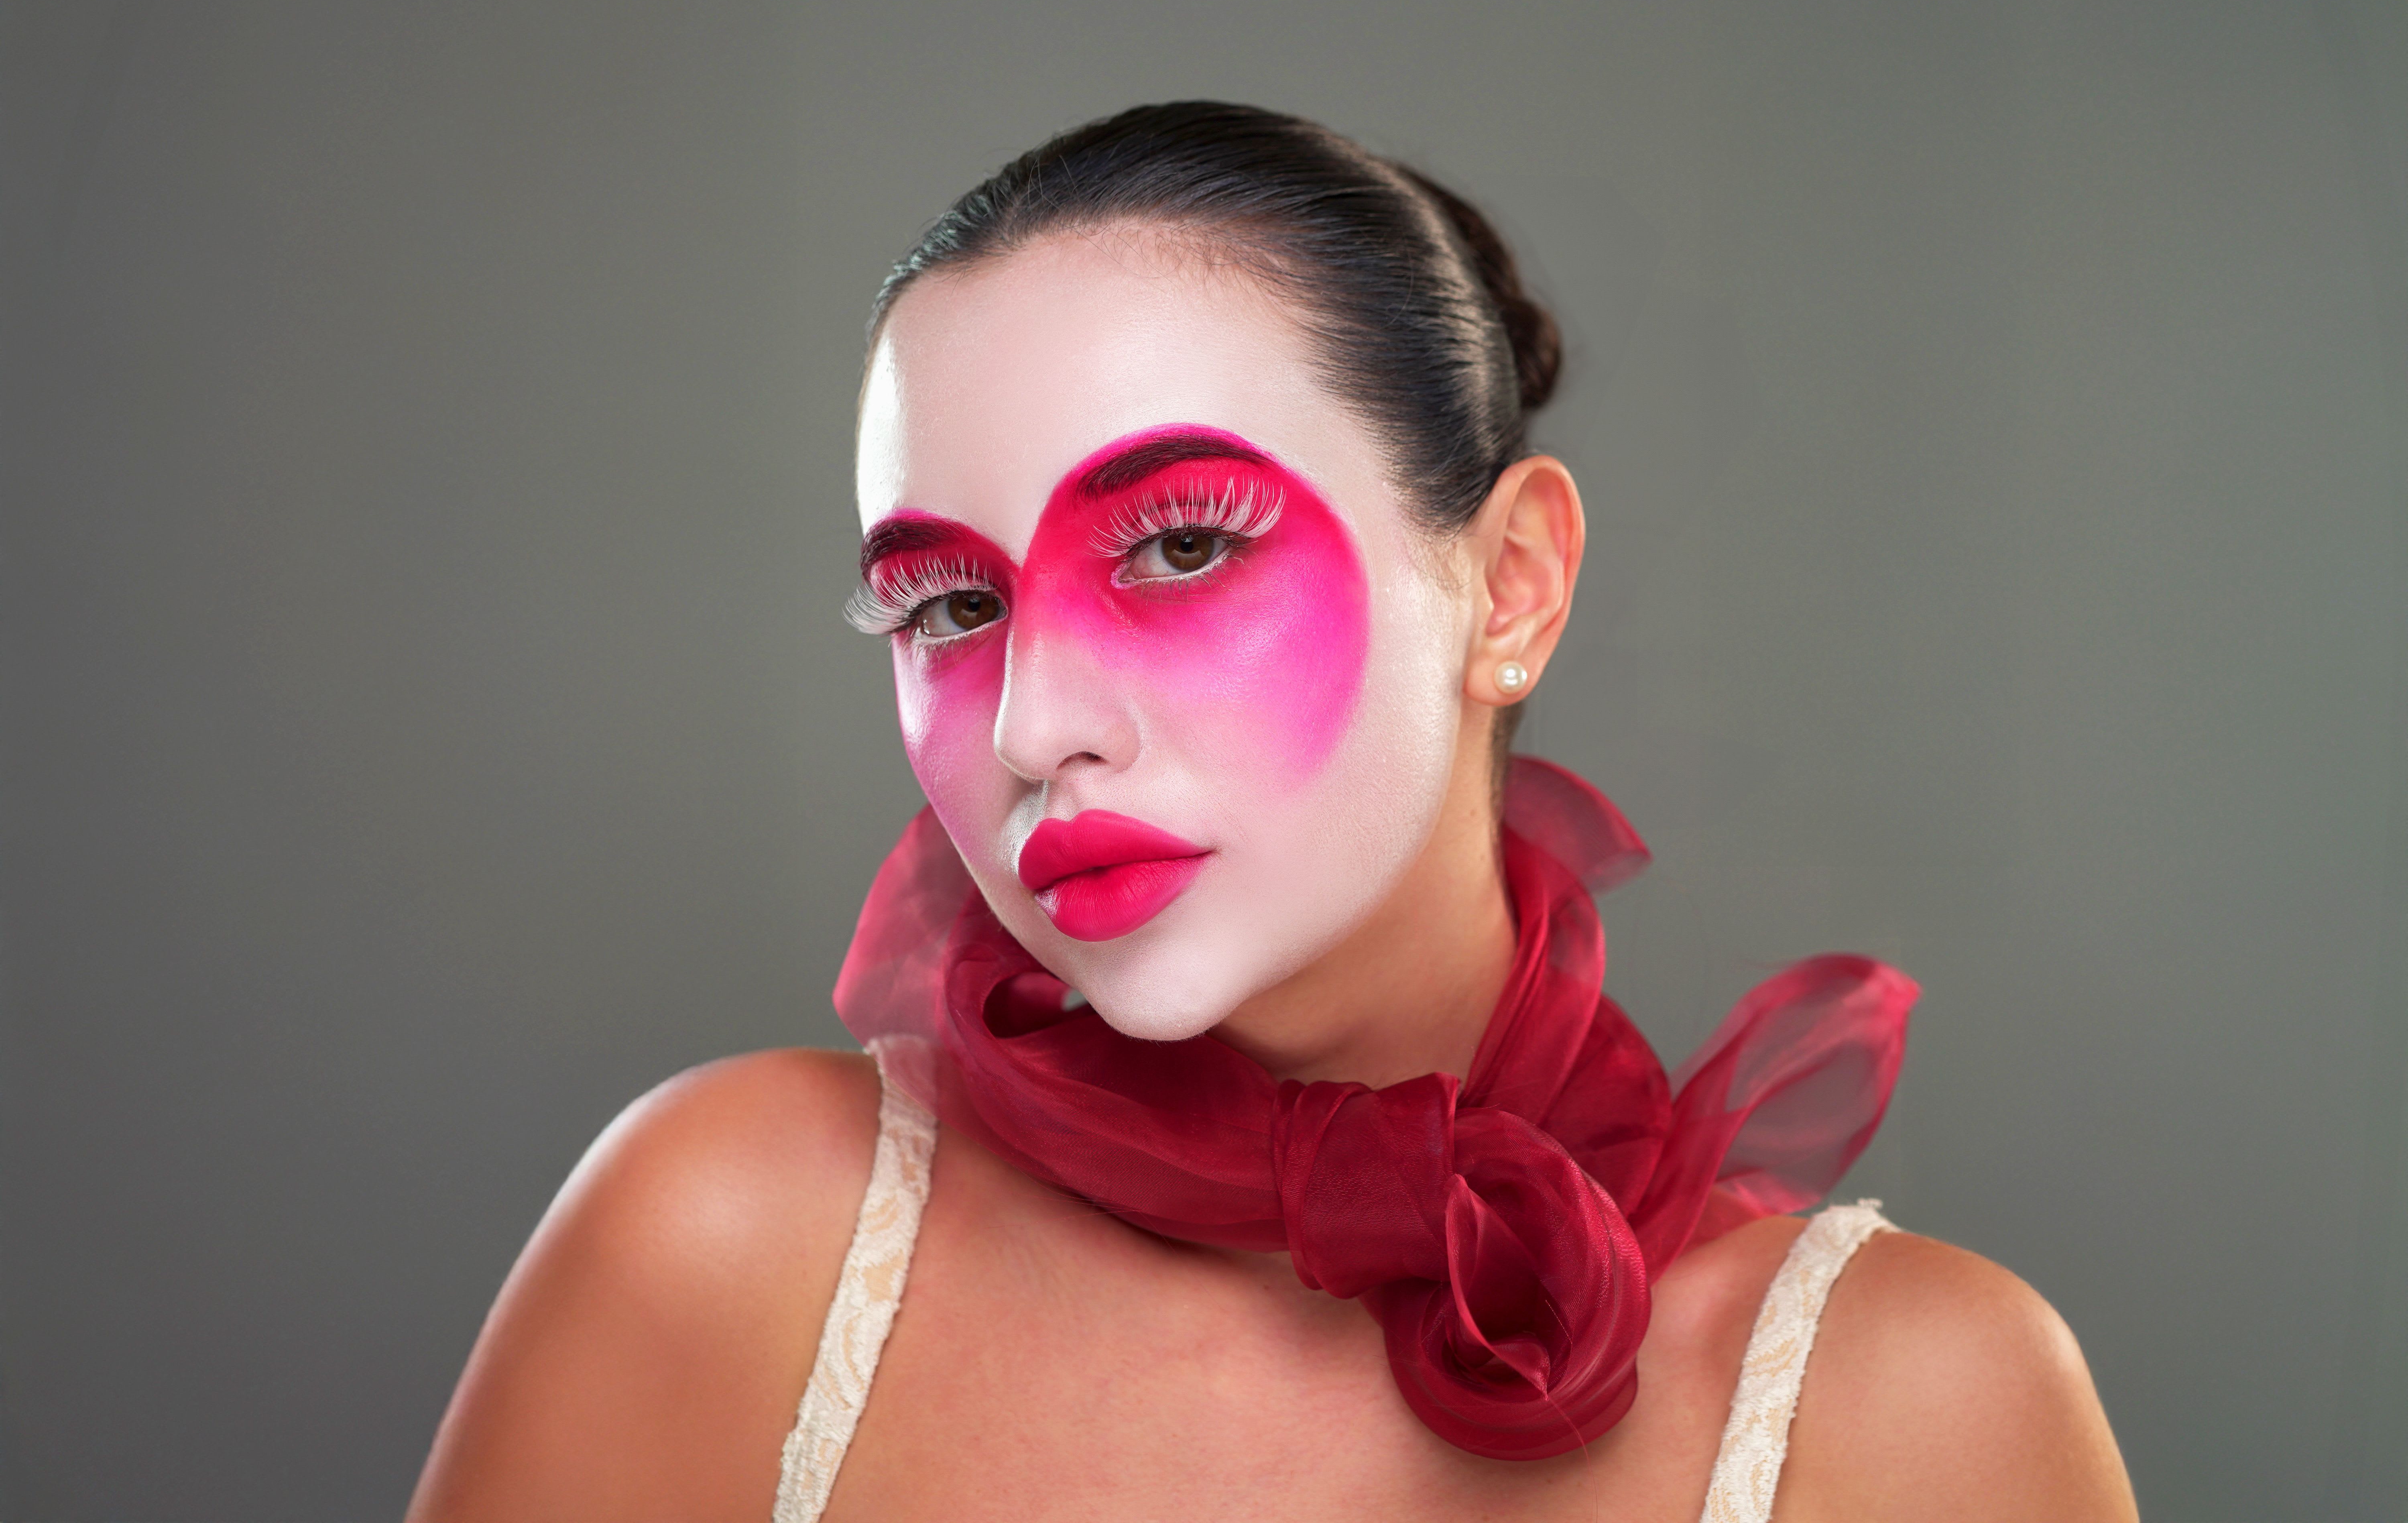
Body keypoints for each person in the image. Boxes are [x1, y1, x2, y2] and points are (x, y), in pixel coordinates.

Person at [408, 102, 2137, 1522]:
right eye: (949, 603)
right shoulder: (727, 1245)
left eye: (1176, 547)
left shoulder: (1916, 1409)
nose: (1032, 724)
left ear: (1513, 584)